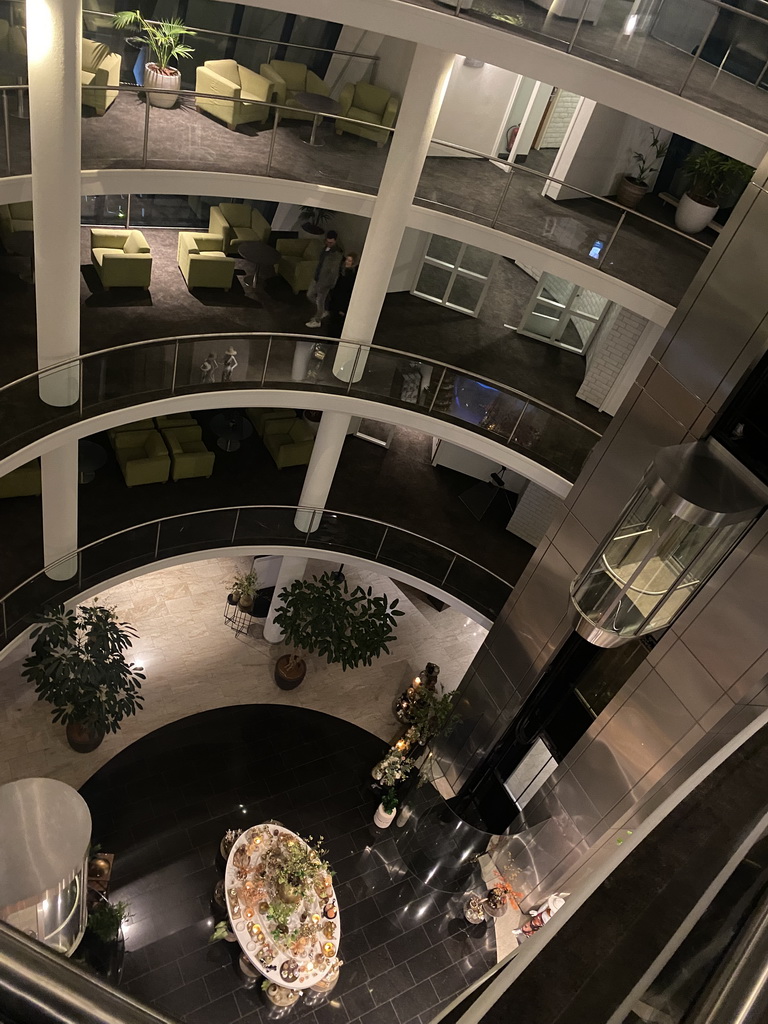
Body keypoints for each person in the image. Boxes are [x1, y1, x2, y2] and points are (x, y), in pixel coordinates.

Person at [306, 230, 343, 328]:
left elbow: (334, 272)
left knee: (320, 300)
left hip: (325, 281)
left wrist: (327, 283)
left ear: (335, 241)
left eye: (331, 242)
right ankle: (322, 311)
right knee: (310, 295)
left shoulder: (337, 254)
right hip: (317, 277)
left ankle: (317, 320)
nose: (329, 244)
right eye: (328, 242)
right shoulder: (325, 249)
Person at [329, 252, 358, 318]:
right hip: (336, 301)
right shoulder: (343, 271)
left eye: (349, 261)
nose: (347, 262)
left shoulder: (351, 275)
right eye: (347, 260)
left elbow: (347, 293)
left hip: (341, 304)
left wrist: (343, 309)